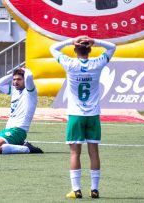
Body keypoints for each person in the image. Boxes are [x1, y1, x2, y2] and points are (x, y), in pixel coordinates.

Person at [50, 36, 116, 199]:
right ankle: (94, 189)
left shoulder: (70, 64)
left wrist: (70, 40)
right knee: (94, 153)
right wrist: (96, 41)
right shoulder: (97, 64)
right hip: (93, 115)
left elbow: (53, 48)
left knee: (74, 153)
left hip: (76, 115)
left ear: (74, 50)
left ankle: (76, 189)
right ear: (90, 49)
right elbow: (112, 47)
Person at [0, 67, 43, 154]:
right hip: (8, 129)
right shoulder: (14, 91)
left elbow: (29, 76)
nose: (15, 82)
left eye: (19, 79)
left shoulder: (30, 91)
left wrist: (24, 69)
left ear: (25, 80)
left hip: (19, 130)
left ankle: (27, 148)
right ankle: (19, 143)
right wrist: (12, 74)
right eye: (14, 79)